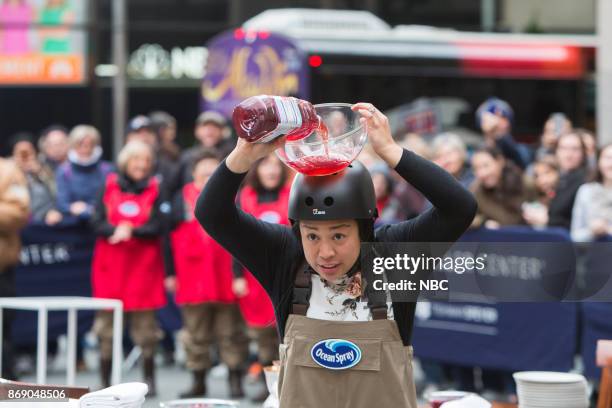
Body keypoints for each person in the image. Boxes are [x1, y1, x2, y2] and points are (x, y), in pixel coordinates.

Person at [196, 102, 477, 407]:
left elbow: (459, 208)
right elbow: (212, 214)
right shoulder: (284, 257)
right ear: (297, 230)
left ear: (365, 229)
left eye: (339, 235)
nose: (325, 252)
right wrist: (243, 157)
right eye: (312, 235)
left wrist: (391, 152)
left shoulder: (394, 257)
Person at [168, 149, 248, 398]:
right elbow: (165, 239)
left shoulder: (233, 198)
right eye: (203, 172)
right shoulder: (179, 199)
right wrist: (170, 273)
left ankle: (236, 382)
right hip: (192, 278)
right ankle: (198, 382)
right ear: (193, 174)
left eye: (213, 172)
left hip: (225, 275)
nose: (208, 176)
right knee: (195, 335)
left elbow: (243, 238)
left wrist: (239, 275)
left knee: (231, 334)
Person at [91, 140, 166, 396]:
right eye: (137, 160)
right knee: (106, 329)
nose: (141, 166)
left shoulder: (157, 188)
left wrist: (131, 230)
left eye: (146, 161)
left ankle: (149, 379)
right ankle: (105, 381)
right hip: (110, 267)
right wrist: (115, 230)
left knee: (146, 331)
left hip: (143, 267)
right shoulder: (108, 185)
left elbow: (158, 226)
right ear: (126, 161)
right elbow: (96, 222)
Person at [233, 153, 287, 401]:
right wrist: (238, 276)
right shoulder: (245, 197)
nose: (272, 171)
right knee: (261, 333)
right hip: (254, 276)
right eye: (266, 165)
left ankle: (289, 383)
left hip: (286, 273)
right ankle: (270, 385)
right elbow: (237, 241)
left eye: (276, 166)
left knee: (285, 330)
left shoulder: (293, 194)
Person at [0, 157, 29, 380]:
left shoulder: (8, 171)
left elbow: (20, 213)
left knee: (3, 327)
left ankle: (6, 381)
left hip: (2, 266)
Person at [56, 125, 113, 223]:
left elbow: (112, 200)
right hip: (72, 224)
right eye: (80, 144)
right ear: (73, 145)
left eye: (90, 144)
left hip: (101, 222)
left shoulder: (107, 169)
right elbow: (62, 203)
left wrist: (88, 209)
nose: (85, 149)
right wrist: (71, 208)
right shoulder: (64, 171)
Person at [470, 147, 536, 228]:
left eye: (486, 166)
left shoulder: (525, 183)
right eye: (476, 168)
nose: (482, 173)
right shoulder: (476, 190)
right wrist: (483, 222)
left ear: (500, 161)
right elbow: (466, 218)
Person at [10, 132, 62, 225]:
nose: (25, 158)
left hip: (44, 220)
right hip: (15, 222)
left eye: (28, 153)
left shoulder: (46, 169)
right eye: (20, 153)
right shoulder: (6, 172)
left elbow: (58, 193)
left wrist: (40, 173)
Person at [174, 111, 235, 188]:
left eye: (215, 126)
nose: (209, 131)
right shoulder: (186, 156)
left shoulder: (231, 155)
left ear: (222, 131)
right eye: (205, 126)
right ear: (197, 131)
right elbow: (176, 186)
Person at [548, 132, 589, 229]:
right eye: (563, 148)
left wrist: (546, 220)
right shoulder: (558, 177)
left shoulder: (587, 180)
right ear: (556, 152)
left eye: (575, 149)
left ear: (583, 153)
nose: (568, 154)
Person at [571, 144, 612, 241]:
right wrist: (591, 231)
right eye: (608, 158)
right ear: (598, 161)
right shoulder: (586, 191)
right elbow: (575, 236)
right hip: (593, 251)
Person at [476, 97, 529, 169]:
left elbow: (510, 148)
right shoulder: (476, 151)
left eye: (503, 118)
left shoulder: (522, 152)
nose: (497, 122)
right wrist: (490, 134)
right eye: (493, 117)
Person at [523, 155, 559, 228]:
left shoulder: (565, 196)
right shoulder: (532, 199)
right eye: (537, 176)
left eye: (547, 173)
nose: (542, 180)